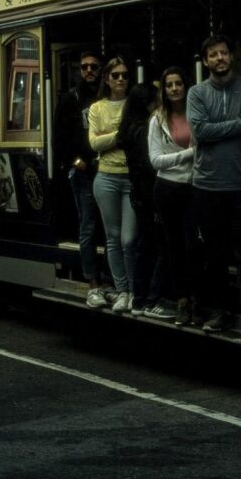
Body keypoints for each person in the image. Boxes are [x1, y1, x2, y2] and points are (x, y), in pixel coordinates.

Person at [186, 34, 241, 340]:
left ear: (231, 56)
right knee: (215, 254)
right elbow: (202, 131)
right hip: (208, 185)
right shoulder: (197, 93)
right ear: (206, 61)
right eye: (213, 55)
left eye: (223, 53)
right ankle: (220, 312)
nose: (220, 58)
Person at [149, 66, 201, 326]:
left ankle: (198, 300)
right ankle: (182, 302)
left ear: (186, 86)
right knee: (175, 247)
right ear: (164, 90)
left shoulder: (197, 113)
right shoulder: (157, 120)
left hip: (194, 187)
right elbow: (156, 160)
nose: (174, 89)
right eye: (169, 85)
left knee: (194, 246)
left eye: (178, 83)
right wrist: (189, 154)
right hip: (167, 189)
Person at [120, 83, 174, 318]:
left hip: (139, 194)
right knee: (162, 246)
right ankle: (152, 299)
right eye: (155, 101)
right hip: (148, 194)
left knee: (145, 247)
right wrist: (155, 203)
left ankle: (139, 299)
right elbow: (148, 168)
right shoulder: (144, 130)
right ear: (148, 104)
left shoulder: (129, 127)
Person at [87, 57, 135, 313]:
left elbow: (138, 138)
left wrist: (109, 138)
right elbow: (94, 143)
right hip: (106, 177)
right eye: (115, 75)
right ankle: (122, 291)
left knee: (129, 239)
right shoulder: (97, 108)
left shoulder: (133, 104)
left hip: (131, 177)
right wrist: (121, 135)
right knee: (113, 238)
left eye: (124, 75)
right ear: (106, 79)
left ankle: (134, 290)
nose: (120, 79)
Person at [52, 50, 104, 289]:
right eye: (84, 67)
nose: (89, 70)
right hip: (84, 173)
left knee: (112, 229)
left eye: (94, 66)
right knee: (88, 225)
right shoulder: (70, 98)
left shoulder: (106, 96)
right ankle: (93, 281)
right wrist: (75, 161)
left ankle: (115, 281)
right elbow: (59, 137)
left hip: (108, 168)